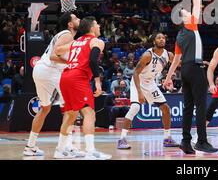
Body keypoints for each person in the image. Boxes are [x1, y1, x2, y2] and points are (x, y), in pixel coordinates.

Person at [164, 0, 218, 154]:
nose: (190, 11)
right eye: (186, 12)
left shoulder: (179, 36)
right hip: (195, 69)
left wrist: (168, 77)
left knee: (188, 108)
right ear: (184, 18)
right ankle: (201, 141)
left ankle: (186, 141)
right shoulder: (190, 24)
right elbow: (197, 2)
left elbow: (176, 60)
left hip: (185, 71)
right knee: (201, 105)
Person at [24, 13, 81, 157]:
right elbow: (53, 56)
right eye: (75, 18)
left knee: (45, 108)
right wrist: (72, 63)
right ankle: (65, 147)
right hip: (51, 70)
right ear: (69, 24)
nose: (78, 20)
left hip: (41, 70)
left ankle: (30, 146)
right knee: (72, 108)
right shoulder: (67, 34)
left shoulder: (65, 35)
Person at [54, 16, 111, 159]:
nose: (99, 27)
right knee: (89, 113)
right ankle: (90, 151)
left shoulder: (76, 41)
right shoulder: (97, 41)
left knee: (71, 115)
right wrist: (98, 82)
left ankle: (60, 150)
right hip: (78, 78)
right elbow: (93, 60)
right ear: (92, 28)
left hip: (65, 76)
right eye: (97, 24)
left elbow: (58, 50)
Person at [117, 32, 179, 149]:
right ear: (154, 41)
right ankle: (122, 139)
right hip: (138, 82)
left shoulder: (168, 54)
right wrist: (140, 93)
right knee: (135, 108)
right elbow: (135, 73)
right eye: (159, 38)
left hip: (151, 83)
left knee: (165, 108)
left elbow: (178, 63)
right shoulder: (147, 55)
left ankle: (167, 138)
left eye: (163, 38)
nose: (162, 40)